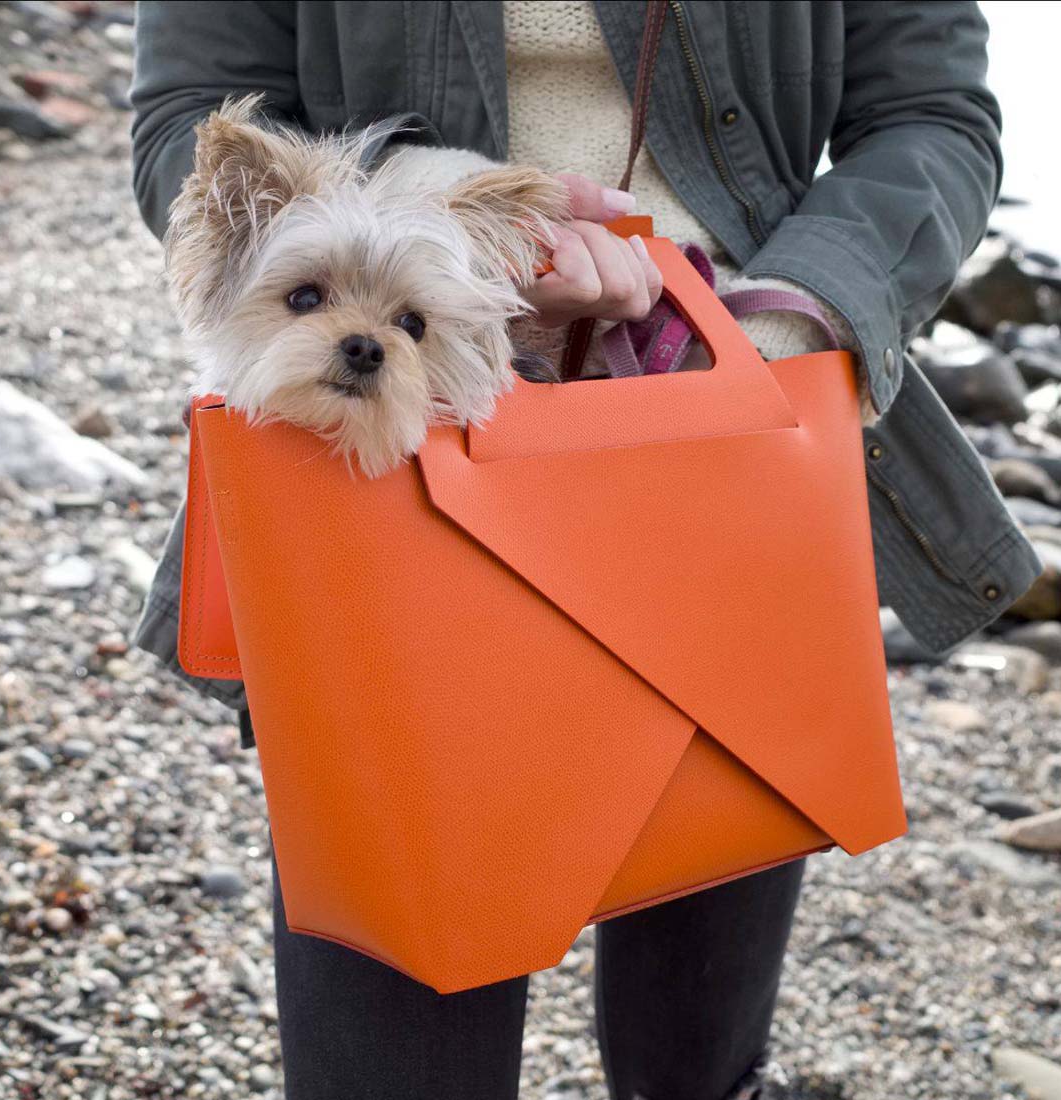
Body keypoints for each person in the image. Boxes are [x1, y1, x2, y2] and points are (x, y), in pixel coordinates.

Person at [130, 4, 1038, 1099]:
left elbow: (930, 114)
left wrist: (776, 328)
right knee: (393, 1031)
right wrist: (432, 209)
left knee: (696, 1043)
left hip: (721, 409)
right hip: (387, 473)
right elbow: (195, 122)